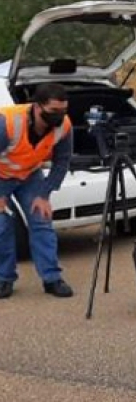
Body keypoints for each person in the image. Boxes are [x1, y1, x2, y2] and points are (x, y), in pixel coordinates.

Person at [0, 83, 75, 299]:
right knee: (2, 226)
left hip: (30, 176)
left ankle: (52, 279)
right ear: (37, 106)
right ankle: (4, 279)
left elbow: (62, 162)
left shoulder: (64, 126)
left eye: (63, 111)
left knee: (41, 221)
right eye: (53, 111)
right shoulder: (7, 123)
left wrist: (44, 194)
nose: (59, 116)